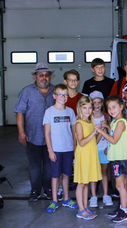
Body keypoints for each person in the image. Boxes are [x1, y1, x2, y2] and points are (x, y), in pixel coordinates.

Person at [14, 62, 55, 202]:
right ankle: (35, 190)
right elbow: (20, 112)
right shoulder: (26, 92)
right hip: (33, 136)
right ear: (35, 76)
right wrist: (21, 132)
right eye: (41, 75)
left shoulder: (56, 91)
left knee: (50, 165)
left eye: (47, 75)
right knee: (34, 166)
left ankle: (49, 189)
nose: (44, 78)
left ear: (50, 76)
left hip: (52, 137)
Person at [43, 84, 78, 213]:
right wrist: (50, 150)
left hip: (68, 149)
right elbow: (47, 133)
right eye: (60, 94)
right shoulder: (49, 111)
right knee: (55, 175)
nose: (63, 97)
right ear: (54, 96)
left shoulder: (70, 111)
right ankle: (54, 201)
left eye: (65, 95)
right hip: (56, 149)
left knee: (66, 175)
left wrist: (74, 148)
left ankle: (66, 199)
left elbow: (73, 131)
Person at [95, 95, 127, 223]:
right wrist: (107, 128)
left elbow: (114, 140)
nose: (111, 110)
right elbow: (115, 135)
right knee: (121, 186)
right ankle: (122, 207)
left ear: (121, 107)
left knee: (120, 186)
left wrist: (101, 130)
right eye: (109, 108)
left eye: (114, 107)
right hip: (118, 158)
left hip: (120, 159)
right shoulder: (115, 121)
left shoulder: (121, 122)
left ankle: (124, 211)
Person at [74, 96, 102, 220]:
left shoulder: (91, 122)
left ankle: (85, 206)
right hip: (83, 155)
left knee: (86, 183)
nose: (87, 110)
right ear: (80, 108)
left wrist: (100, 132)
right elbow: (82, 142)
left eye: (89, 108)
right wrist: (93, 133)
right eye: (84, 107)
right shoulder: (79, 123)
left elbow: (94, 141)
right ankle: (80, 209)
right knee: (81, 183)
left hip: (91, 154)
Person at [88, 91, 113, 208]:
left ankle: (106, 195)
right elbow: (93, 141)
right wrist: (100, 129)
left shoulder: (107, 116)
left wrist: (108, 147)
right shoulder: (89, 118)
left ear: (102, 103)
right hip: (93, 149)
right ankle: (93, 196)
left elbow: (110, 133)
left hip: (104, 149)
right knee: (93, 173)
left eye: (99, 102)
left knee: (104, 173)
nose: (97, 105)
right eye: (94, 102)